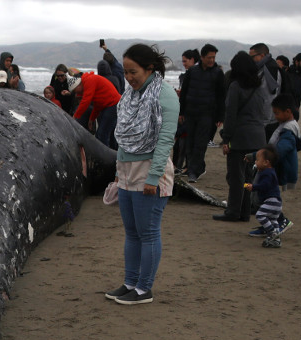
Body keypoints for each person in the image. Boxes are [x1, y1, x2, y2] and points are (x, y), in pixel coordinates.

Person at [103, 43, 178, 305]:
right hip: (126, 170)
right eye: (125, 71)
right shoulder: (130, 96)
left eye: (133, 71)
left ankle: (144, 289)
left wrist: (153, 177)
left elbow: (166, 139)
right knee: (132, 232)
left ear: (150, 69)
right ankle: (130, 283)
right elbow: (124, 139)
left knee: (148, 232)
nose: (129, 77)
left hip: (150, 171)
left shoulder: (165, 95)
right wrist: (117, 172)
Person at [215, 51, 265, 223]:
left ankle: (233, 211)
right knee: (248, 176)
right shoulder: (259, 86)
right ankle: (244, 212)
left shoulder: (236, 86)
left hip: (240, 137)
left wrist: (226, 138)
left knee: (236, 176)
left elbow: (230, 114)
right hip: (258, 137)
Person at [178, 43, 225, 183]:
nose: (211, 60)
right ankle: (196, 167)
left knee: (200, 143)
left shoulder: (217, 73)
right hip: (191, 113)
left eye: (214, 57)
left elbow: (221, 96)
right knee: (190, 142)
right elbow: (185, 92)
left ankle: (194, 171)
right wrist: (181, 112)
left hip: (207, 114)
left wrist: (220, 116)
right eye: (209, 57)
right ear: (202, 57)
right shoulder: (192, 72)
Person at [67, 69, 121, 148]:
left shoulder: (89, 80)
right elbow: (97, 104)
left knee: (102, 133)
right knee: (109, 133)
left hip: (112, 104)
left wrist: (75, 116)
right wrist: (92, 118)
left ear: (77, 85)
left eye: (75, 90)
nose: (76, 93)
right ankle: (114, 153)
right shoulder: (89, 82)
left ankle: (105, 157)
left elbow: (86, 101)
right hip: (109, 105)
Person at [244, 146, 283, 248]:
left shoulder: (267, 173)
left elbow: (265, 186)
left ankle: (272, 233)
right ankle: (276, 240)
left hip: (271, 201)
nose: (255, 162)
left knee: (260, 215)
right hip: (276, 202)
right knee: (273, 220)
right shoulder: (268, 172)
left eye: (257, 160)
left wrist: (253, 187)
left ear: (266, 162)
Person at [268, 93, 301, 190]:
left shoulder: (288, 132)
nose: (275, 116)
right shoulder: (290, 125)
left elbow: (279, 151)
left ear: (287, 111)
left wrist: (263, 158)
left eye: (276, 113)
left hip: (278, 171)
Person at [284, 53, 301, 118]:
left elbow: (299, 93)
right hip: (285, 108)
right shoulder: (287, 73)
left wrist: (297, 107)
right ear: (297, 62)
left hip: (295, 107)